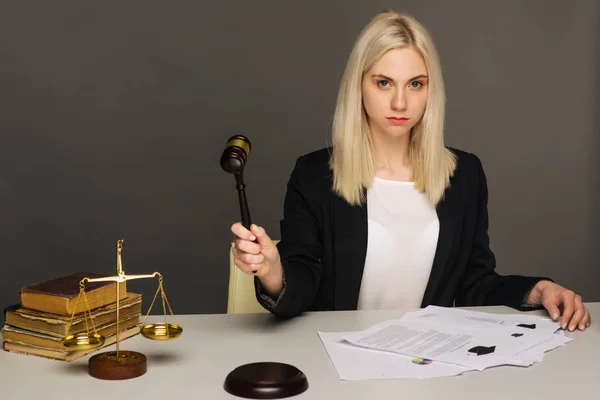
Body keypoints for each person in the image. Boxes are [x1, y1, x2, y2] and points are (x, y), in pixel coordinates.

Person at [230, 9, 591, 331]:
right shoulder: (314, 175)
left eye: (415, 84)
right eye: (383, 82)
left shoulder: (463, 174)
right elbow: (302, 289)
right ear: (359, 85)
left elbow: (473, 283)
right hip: (335, 362)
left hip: (426, 361)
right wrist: (273, 271)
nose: (400, 102)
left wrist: (537, 289)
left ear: (430, 90)